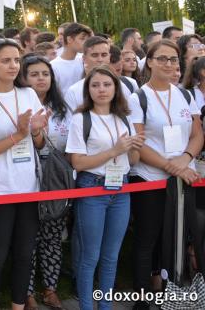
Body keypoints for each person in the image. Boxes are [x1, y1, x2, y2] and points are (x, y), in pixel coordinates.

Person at [0, 39, 49, 310]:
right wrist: (18, 134)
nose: (13, 65)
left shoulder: (27, 94)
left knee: (25, 254)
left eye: (16, 60)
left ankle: (17, 306)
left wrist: (36, 132)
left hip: (29, 186)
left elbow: (38, 145)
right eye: (6, 60)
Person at [128, 39, 203, 309]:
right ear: (149, 62)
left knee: (178, 238)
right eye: (162, 58)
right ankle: (142, 298)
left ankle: (172, 291)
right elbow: (138, 141)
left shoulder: (185, 95)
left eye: (173, 59)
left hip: (183, 177)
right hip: (150, 177)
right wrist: (169, 165)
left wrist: (184, 160)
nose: (168, 64)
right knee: (148, 239)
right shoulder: (138, 98)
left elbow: (196, 134)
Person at [66, 67, 144, 310]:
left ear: (116, 88)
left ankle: (106, 306)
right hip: (92, 188)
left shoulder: (124, 117)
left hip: (121, 187)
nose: (101, 89)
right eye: (95, 85)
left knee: (111, 257)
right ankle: (87, 306)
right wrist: (115, 150)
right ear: (88, 90)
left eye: (107, 85)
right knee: (90, 256)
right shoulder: (81, 118)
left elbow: (132, 162)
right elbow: (77, 162)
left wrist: (134, 147)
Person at [21, 55, 69, 310]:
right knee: (28, 238)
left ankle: (50, 289)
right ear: (24, 78)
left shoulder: (62, 108)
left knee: (52, 235)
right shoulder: (17, 104)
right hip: (26, 177)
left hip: (55, 180)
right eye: (34, 74)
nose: (41, 78)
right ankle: (26, 293)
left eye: (45, 74)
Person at [65, 36, 135, 111]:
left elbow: (130, 117)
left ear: (109, 57)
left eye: (104, 55)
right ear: (84, 58)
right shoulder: (74, 92)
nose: (100, 59)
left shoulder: (124, 86)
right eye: (94, 55)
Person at [51, 23, 93, 95]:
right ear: (69, 39)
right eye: (82, 38)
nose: (86, 42)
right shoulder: (53, 66)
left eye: (87, 39)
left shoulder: (84, 61)